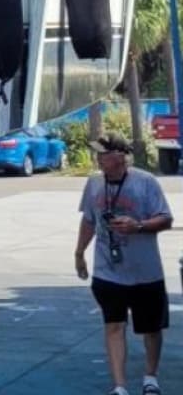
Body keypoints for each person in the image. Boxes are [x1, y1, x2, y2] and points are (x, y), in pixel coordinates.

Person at [76, 131, 174, 395]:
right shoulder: (95, 184)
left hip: (145, 272)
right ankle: (119, 386)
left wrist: (138, 225)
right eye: (97, 153)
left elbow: (166, 219)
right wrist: (79, 253)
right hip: (108, 271)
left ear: (120, 157)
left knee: (151, 329)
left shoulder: (146, 182)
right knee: (114, 325)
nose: (98, 159)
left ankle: (150, 378)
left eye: (103, 154)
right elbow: (88, 220)